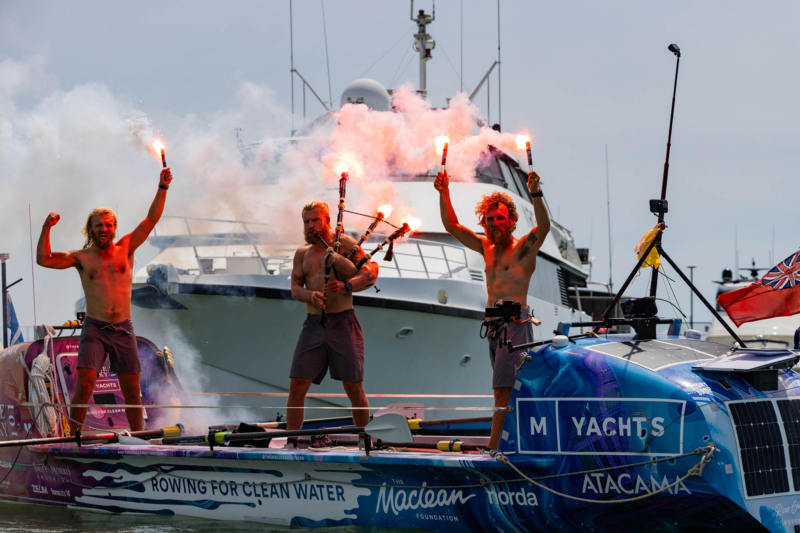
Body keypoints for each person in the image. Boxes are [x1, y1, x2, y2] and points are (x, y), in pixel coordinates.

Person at [37, 168, 173, 434]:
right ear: (90, 228)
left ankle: (139, 439)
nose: (104, 229)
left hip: (123, 327)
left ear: (114, 228)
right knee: (85, 385)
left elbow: (151, 218)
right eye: (99, 225)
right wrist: (46, 228)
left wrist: (163, 186)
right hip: (96, 328)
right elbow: (44, 259)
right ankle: (75, 436)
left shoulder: (127, 247)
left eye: (108, 224)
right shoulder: (82, 257)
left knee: (132, 389)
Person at [434, 169, 550, 450]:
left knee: (502, 391)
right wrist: (444, 192)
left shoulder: (523, 249)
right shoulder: (486, 246)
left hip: (515, 327)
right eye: (489, 219)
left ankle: (494, 449)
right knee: (504, 391)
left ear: (511, 221)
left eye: (500, 218)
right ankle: (513, 443)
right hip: (494, 329)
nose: (494, 223)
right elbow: (452, 226)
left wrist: (535, 192)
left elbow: (544, 227)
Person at [287, 201, 379, 446]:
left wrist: (346, 285)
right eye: (306, 221)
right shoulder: (302, 253)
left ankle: (364, 440)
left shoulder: (346, 244)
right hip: (313, 324)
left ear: (327, 219)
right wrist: (310, 295)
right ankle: (291, 441)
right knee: (297, 384)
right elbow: (295, 288)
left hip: (343, 322)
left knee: (353, 387)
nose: (310, 225)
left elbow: (369, 274)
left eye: (315, 220)